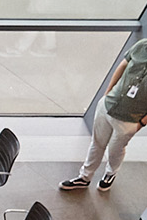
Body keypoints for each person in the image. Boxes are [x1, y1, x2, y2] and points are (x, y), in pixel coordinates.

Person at [60, 39, 147, 192]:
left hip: (130, 119)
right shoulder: (142, 45)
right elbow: (123, 66)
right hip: (108, 105)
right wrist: (107, 94)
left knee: (116, 150)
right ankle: (84, 177)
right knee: (97, 143)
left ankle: (110, 173)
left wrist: (141, 123)